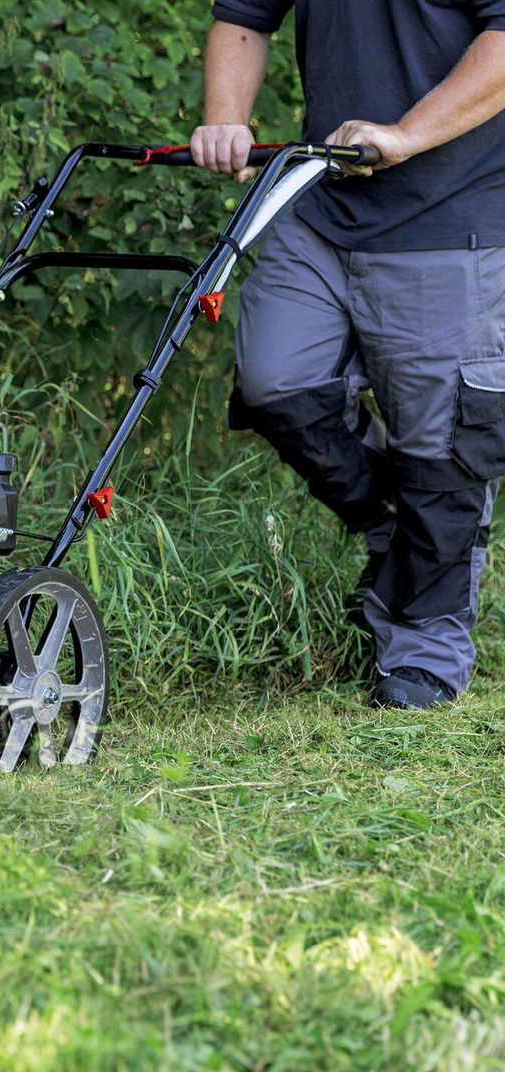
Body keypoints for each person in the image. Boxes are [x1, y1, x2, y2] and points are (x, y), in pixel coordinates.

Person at [192, 2, 505, 708]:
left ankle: (424, 650)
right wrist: (227, 115)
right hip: (322, 207)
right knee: (275, 382)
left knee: (443, 450)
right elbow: (244, 16)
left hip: (452, 217)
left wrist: (405, 134)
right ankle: (399, 535)